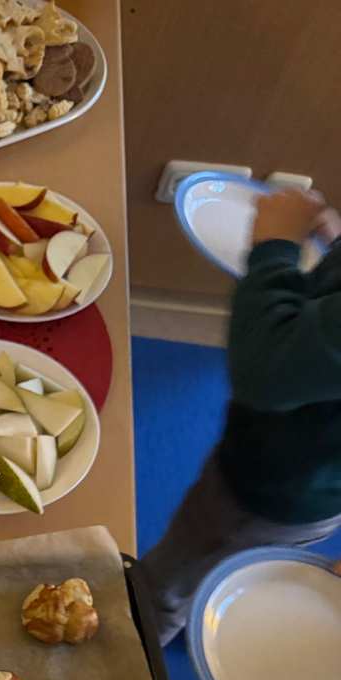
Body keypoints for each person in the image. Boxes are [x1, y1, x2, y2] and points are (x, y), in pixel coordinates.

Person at [140, 189, 341, 646]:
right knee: (234, 562)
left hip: (270, 487)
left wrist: (274, 247)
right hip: (310, 485)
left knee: (177, 573)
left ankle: (146, 634)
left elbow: (265, 368)